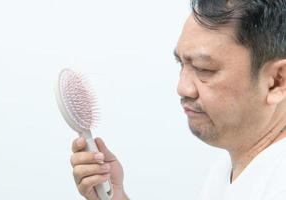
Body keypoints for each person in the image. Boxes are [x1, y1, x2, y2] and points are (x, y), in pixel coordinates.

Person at [69, 0, 286, 199]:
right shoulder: (230, 169)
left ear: (277, 81)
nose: (182, 87)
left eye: (204, 69)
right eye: (181, 64)